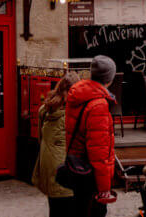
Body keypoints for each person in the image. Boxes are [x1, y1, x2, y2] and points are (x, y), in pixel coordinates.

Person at [66, 55, 118, 217]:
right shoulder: (98, 104)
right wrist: (104, 190)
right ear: (109, 78)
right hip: (90, 174)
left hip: (77, 167)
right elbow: (99, 151)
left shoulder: (79, 94)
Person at [32, 72, 78, 216]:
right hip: (66, 169)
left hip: (48, 165)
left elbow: (41, 139)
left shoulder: (45, 109)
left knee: (55, 207)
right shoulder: (73, 112)